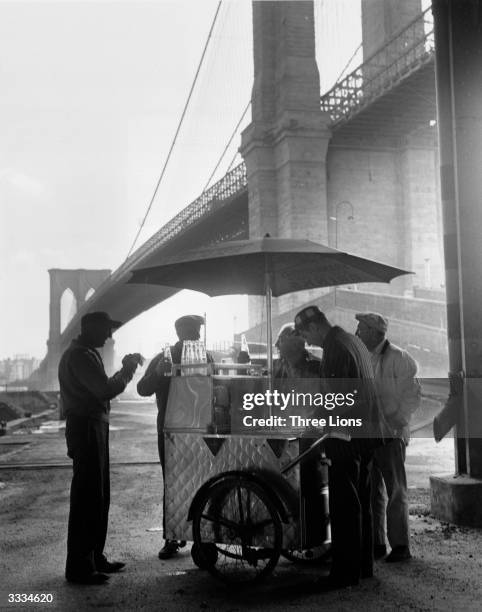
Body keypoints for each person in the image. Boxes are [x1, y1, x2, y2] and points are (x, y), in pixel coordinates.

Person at [294, 305, 385, 591]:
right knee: (362, 501)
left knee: (345, 505)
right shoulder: (351, 340)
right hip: (367, 434)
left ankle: (344, 573)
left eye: (305, 335)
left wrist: (311, 422)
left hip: (347, 436)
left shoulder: (334, 348)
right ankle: (363, 566)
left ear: (313, 327)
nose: (307, 343)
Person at [59, 311, 142, 585]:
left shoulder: (84, 353)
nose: (109, 336)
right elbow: (104, 390)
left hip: (92, 426)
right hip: (86, 428)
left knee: (99, 495)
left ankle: (94, 556)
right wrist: (127, 370)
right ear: (92, 328)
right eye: (106, 330)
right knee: (87, 497)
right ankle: (80, 567)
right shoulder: (80, 356)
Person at [137, 314, 213, 560]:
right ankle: (173, 536)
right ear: (181, 333)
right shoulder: (165, 357)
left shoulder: (205, 356)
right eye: (194, 332)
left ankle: (200, 536)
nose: (198, 337)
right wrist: (158, 373)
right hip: (171, 430)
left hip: (199, 427)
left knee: (199, 480)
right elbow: (143, 388)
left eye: (198, 332)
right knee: (173, 482)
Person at [355, 312, 421, 563]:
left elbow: (413, 397)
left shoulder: (399, 358)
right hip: (371, 434)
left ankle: (401, 546)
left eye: (361, 328)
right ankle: (377, 543)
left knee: (395, 491)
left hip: (391, 435)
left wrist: (396, 421)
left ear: (374, 332)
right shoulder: (366, 356)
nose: (358, 332)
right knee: (374, 492)